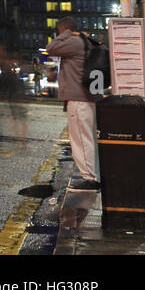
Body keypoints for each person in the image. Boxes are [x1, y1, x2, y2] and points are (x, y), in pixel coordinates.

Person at [45, 17, 100, 190]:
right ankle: (92, 175)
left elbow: (50, 48)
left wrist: (65, 34)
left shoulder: (75, 42)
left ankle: (90, 178)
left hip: (78, 99)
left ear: (64, 30)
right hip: (85, 97)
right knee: (87, 138)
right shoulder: (84, 42)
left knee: (81, 140)